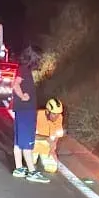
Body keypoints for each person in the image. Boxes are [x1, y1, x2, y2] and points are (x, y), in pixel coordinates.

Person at [11, 48, 48, 183]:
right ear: (33, 58)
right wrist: (22, 96)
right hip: (26, 110)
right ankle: (32, 171)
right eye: (39, 58)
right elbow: (15, 85)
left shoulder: (23, 69)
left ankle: (19, 168)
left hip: (22, 110)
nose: (40, 61)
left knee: (19, 140)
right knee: (27, 142)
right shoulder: (24, 70)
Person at [32, 97, 66, 175]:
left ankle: (43, 155)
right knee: (30, 163)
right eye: (54, 114)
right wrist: (46, 138)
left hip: (47, 146)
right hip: (34, 143)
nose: (56, 117)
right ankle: (33, 155)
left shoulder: (59, 118)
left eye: (58, 114)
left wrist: (53, 148)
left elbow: (57, 134)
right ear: (47, 111)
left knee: (52, 168)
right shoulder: (37, 115)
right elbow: (30, 135)